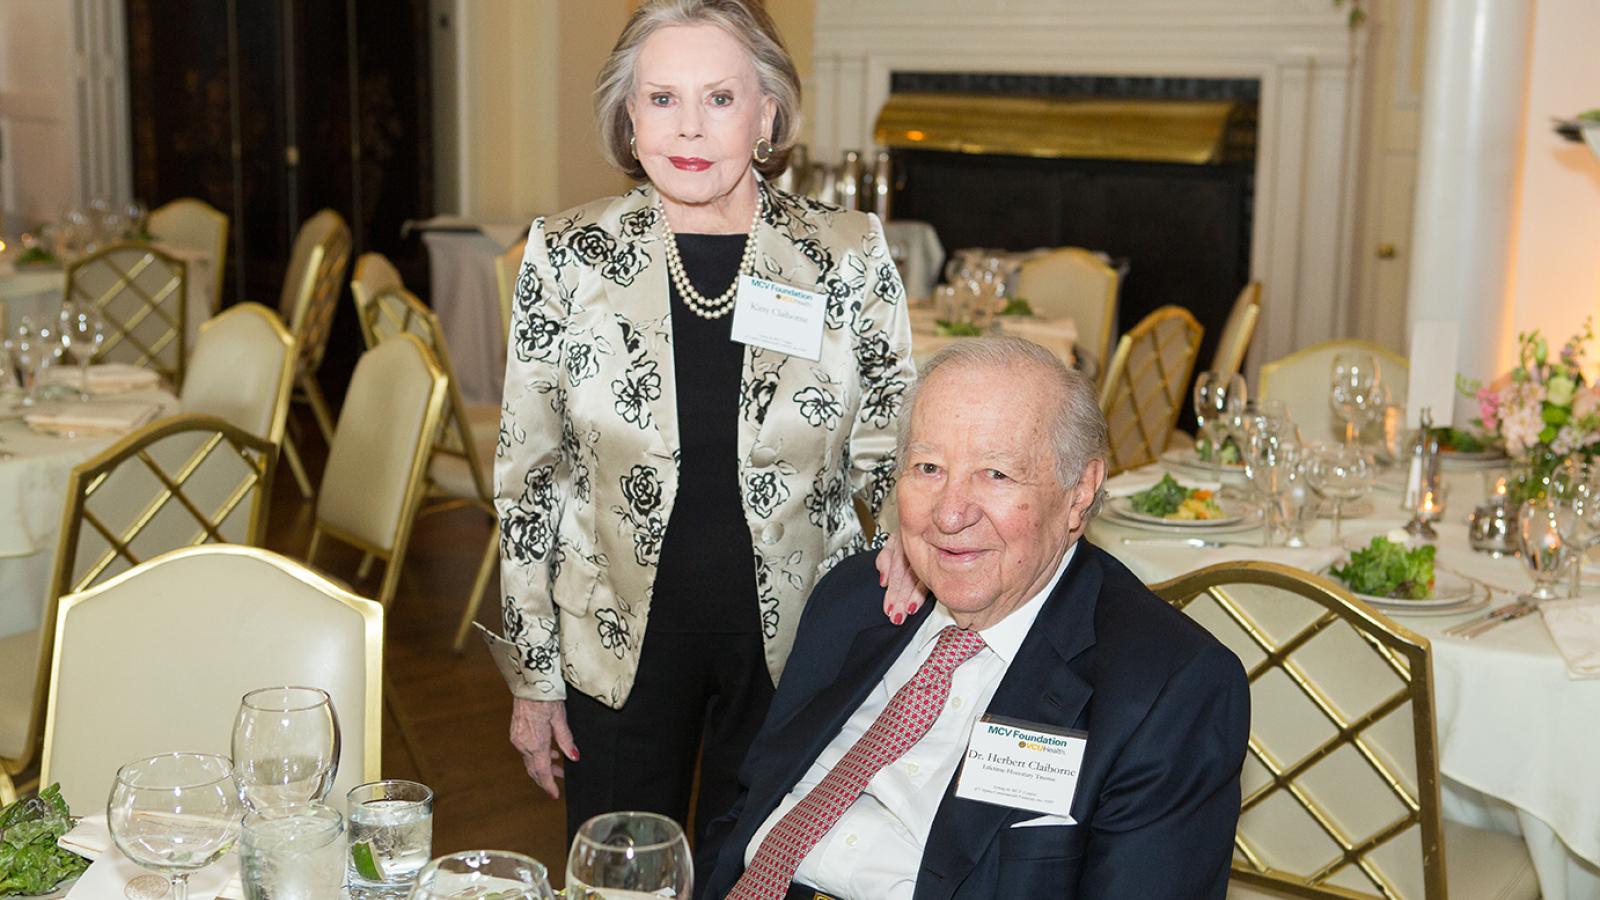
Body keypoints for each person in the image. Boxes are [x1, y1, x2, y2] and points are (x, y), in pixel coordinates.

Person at [488, 0, 916, 847]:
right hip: (613, 647)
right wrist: (534, 676)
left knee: (758, 872)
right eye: (662, 98)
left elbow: (895, 442)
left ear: (769, 114)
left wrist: (907, 534)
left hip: (795, 648)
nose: (689, 127)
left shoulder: (844, 253)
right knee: (619, 876)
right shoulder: (568, 255)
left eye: (719, 98)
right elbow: (529, 479)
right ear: (628, 115)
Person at [699, 337, 1250, 899]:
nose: (950, 513)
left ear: (1079, 491)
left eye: (996, 474)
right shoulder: (856, 599)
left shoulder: (1168, 690)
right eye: (928, 467)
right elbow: (748, 811)